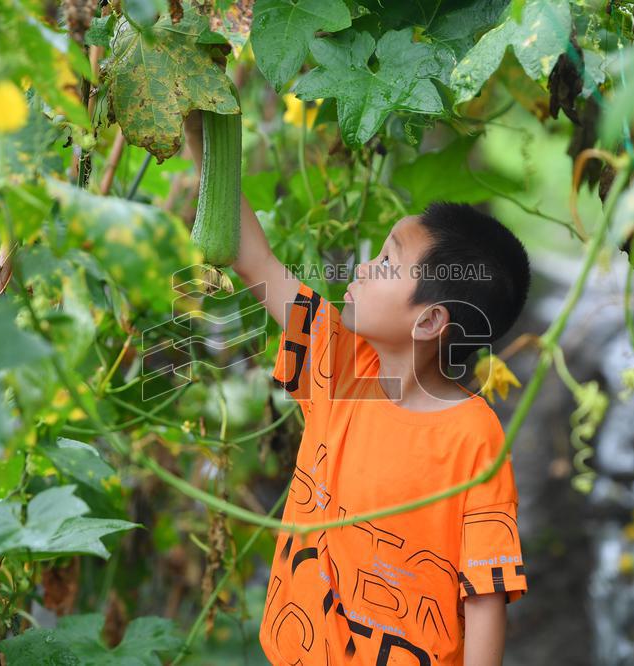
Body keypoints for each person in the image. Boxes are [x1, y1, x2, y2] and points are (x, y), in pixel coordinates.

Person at [183, 109, 532, 665]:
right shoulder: (343, 363)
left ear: (428, 322)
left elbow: (485, 592)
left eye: (387, 262)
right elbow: (253, 259)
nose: (364, 269)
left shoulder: (474, 437)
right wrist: (203, 133)